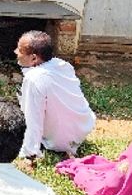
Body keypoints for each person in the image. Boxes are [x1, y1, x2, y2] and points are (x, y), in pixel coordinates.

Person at [15, 30, 96, 160]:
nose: (16, 52)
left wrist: (29, 153)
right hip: (82, 128)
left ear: (34, 58)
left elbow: (33, 118)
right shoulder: (62, 64)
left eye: (20, 50)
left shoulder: (34, 78)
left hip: (59, 140)